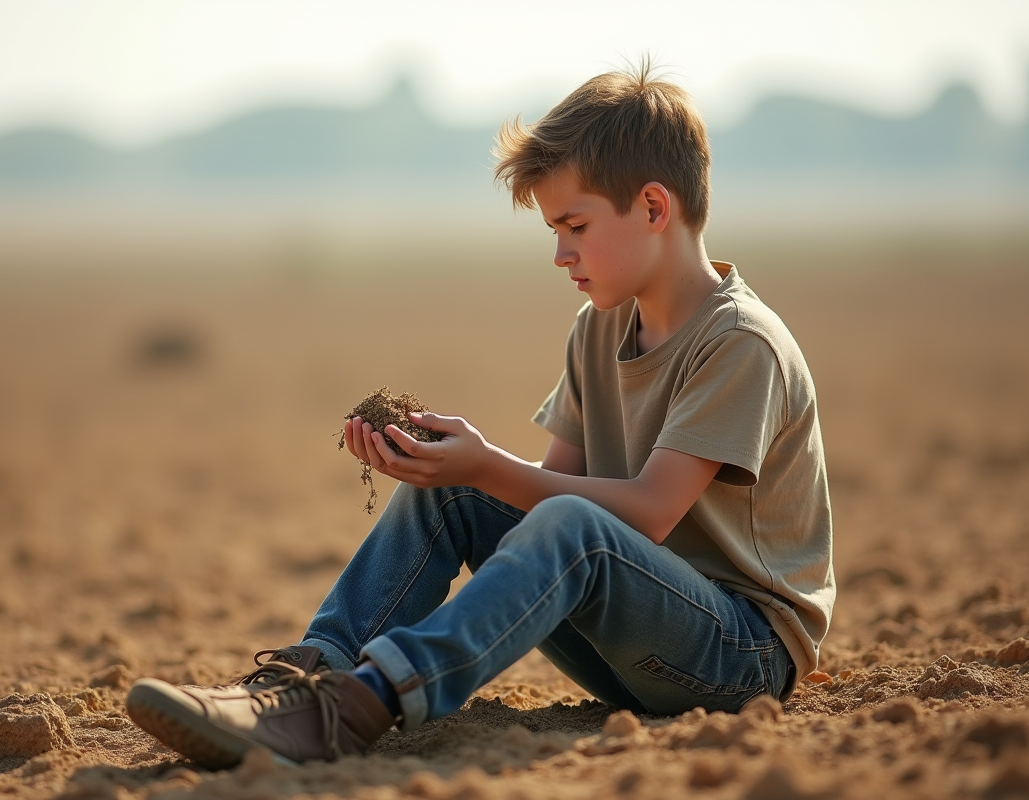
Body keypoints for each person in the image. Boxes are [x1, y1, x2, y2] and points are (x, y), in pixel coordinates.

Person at [125, 62, 835, 768]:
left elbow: (644, 514)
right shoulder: (597, 329)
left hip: (739, 657)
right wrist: (448, 467)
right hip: (630, 641)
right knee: (468, 492)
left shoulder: (739, 340)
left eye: (575, 225)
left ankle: (359, 707)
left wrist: (490, 463)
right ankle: (311, 677)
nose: (560, 254)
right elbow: (550, 500)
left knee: (551, 515)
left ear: (654, 207)